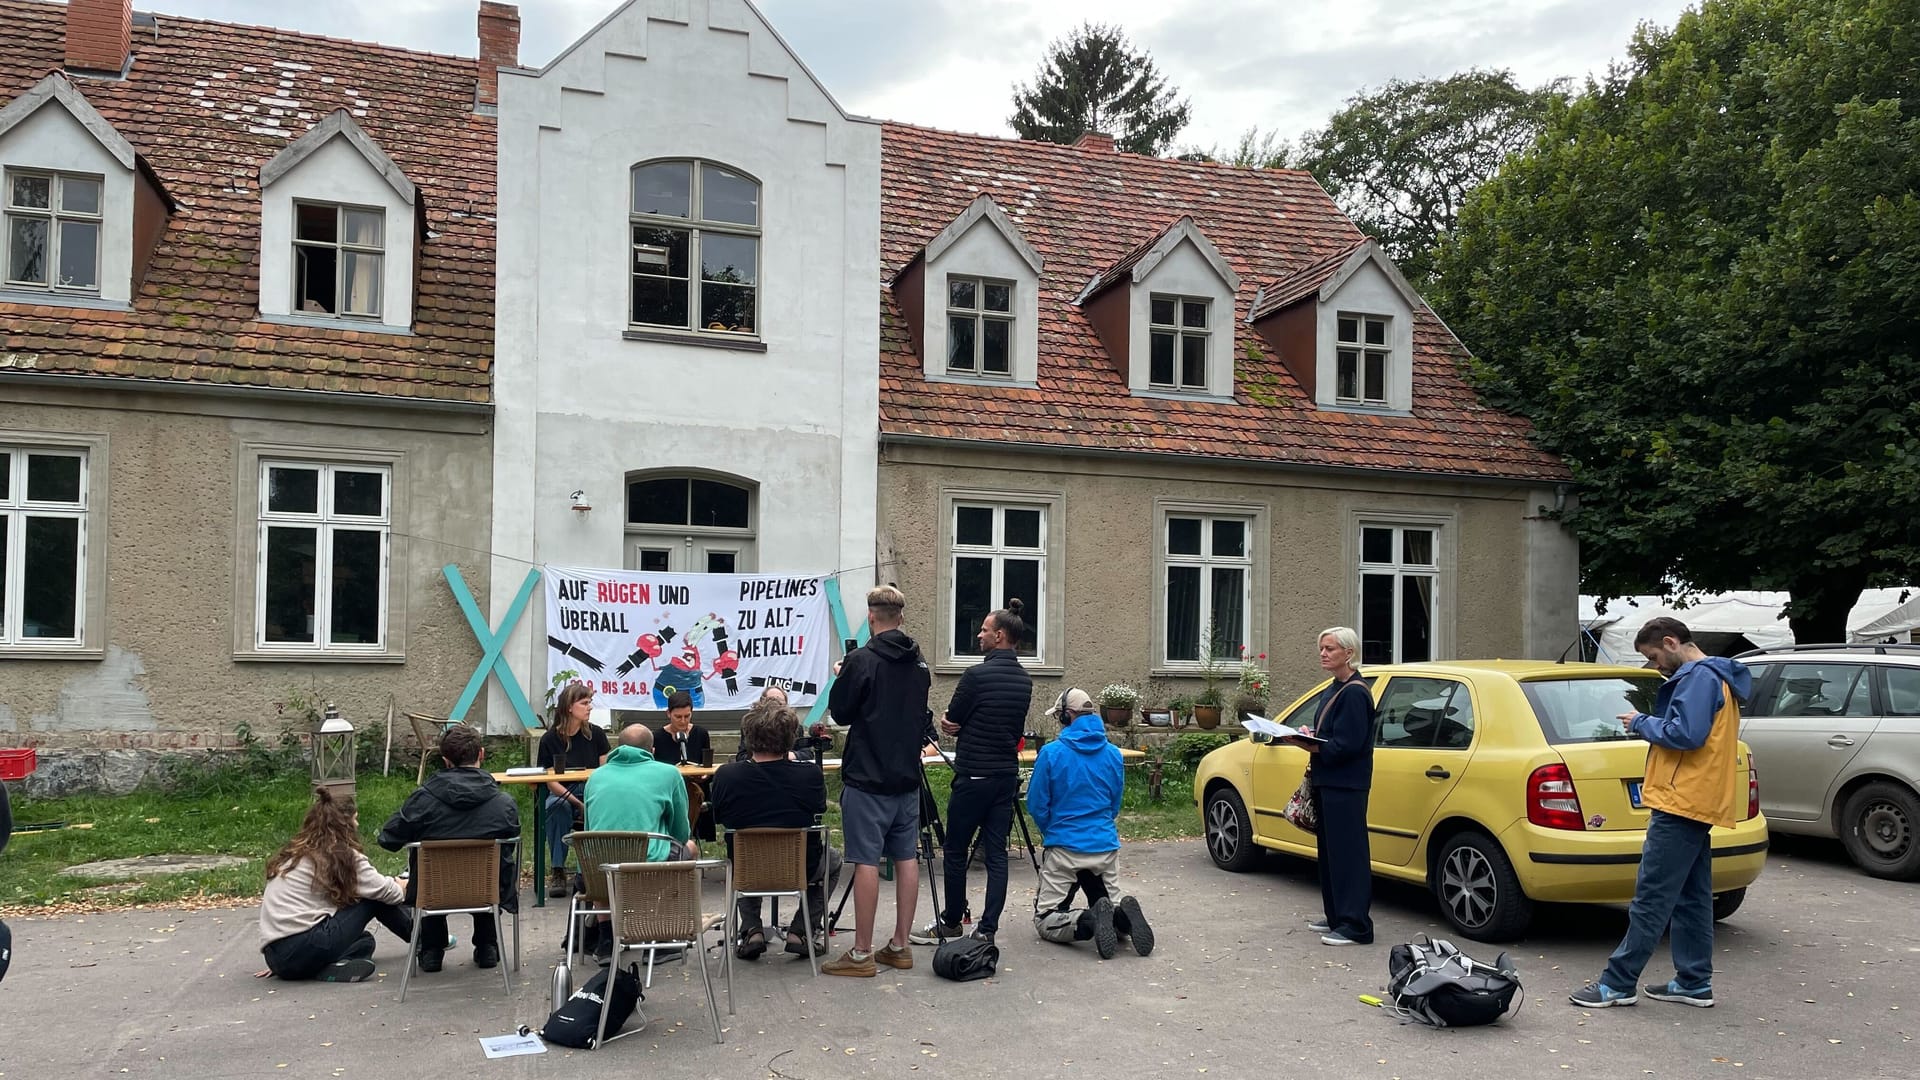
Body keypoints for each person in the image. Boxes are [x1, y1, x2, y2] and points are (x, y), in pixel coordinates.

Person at [1571, 617, 1751, 1010]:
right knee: (1692, 896)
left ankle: (1617, 983)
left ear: (1671, 643)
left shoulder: (1698, 678)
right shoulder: (1716, 676)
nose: (1654, 666)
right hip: (1697, 798)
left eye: (1653, 657)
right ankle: (1693, 982)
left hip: (1680, 801)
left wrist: (1641, 723)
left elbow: (1686, 734)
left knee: (1652, 896)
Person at [820, 585, 932, 978]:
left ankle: (861, 951)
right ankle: (900, 944)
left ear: (871, 618)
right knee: (906, 857)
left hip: (868, 775)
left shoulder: (861, 660)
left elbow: (843, 712)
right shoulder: (919, 664)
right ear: (900, 618)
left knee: (865, 860)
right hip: (906, 775)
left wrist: (841, 676)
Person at [914, 599, 1033, 946]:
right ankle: (988, 928)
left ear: (998, 635)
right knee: (997, 855)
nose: (979, 635)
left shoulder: (976, 675)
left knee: (954, 849)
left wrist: (952, 725)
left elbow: (952, 718)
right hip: (1004, 777)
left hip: (973, 775)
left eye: (983, 630)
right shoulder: (1024, 681)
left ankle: (952, 919)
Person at [377, 724, 520, 974]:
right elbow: (512, 837)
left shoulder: (423, 800)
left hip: (434, 893)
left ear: (445, 761)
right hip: (487, 892)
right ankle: (488, 945)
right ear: (482, 754)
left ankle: (432, 949)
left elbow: (388, 839)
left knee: (431, 874)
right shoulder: (503, 804)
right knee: (492, 866)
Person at [710, 700, 843, 960]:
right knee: (834, 860)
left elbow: (720, 817)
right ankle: (802, 930)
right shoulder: (809, 775)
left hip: (748, 868)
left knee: (740, 856)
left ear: (748, 737)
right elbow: (819, 808)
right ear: (790, 738)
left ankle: (751, 929)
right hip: (800, 866)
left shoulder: (727, 775)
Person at [1028, 689, 1153, 958]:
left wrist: (1051, 831)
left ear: (1067, 715)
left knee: (1046, 918)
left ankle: (1090, 921)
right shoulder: (1113, 754)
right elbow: (1113, 803)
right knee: (1109, 902)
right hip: (1105, 845)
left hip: (1065, 847)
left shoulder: (1051, 753)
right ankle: (1122, 919)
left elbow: (1037, 803)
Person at [260, 786, 412, 983]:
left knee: (364, 941)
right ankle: (426, 940)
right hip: (305, 946)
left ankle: (325, 966)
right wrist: (402, 884)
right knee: (373, 898)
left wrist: (284, 959)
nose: (357, 824)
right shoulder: (342, 857)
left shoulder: (295, 854)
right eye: (355, 818)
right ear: (345, 823)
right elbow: (389, 893)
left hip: (277, 957)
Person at [580, 723, 698, 962]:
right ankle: (661, 937)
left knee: (602, 856)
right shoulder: (669, 774)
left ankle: (606, 940)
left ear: (617, 748)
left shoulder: (595, 777)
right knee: (690, 848)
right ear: (651, 751)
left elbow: (589, 829)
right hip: (648, 870)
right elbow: (680, 833)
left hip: (600, 873)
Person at [1289, 626, 1376, 946]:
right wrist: (1310, 732)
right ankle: (1338, 915)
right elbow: (1331, 732)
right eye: (1321, 648)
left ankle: (1357, 925)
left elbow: (1348, 744)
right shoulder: (1335, 687)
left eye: (1330, 649)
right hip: (1329, 781)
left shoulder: (1355, 691)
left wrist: (1310, 746)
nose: (1323, 654)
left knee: (1349, 854)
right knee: (1330, 853)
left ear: (1348, 654)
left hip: (1347, 785)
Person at [538, 682, 610, 898]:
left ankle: (586, 872)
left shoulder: (596, 734)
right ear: (569, 707)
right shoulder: (550, 739)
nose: (589, 707)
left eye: (590, 703)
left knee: (600, 809)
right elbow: (550, 780)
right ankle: (557, 869)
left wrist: (590, 799)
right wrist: (577, 803)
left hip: (591, 791)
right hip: (562, 793)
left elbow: (605, 770)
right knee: (554, 807)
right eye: (584, 703)